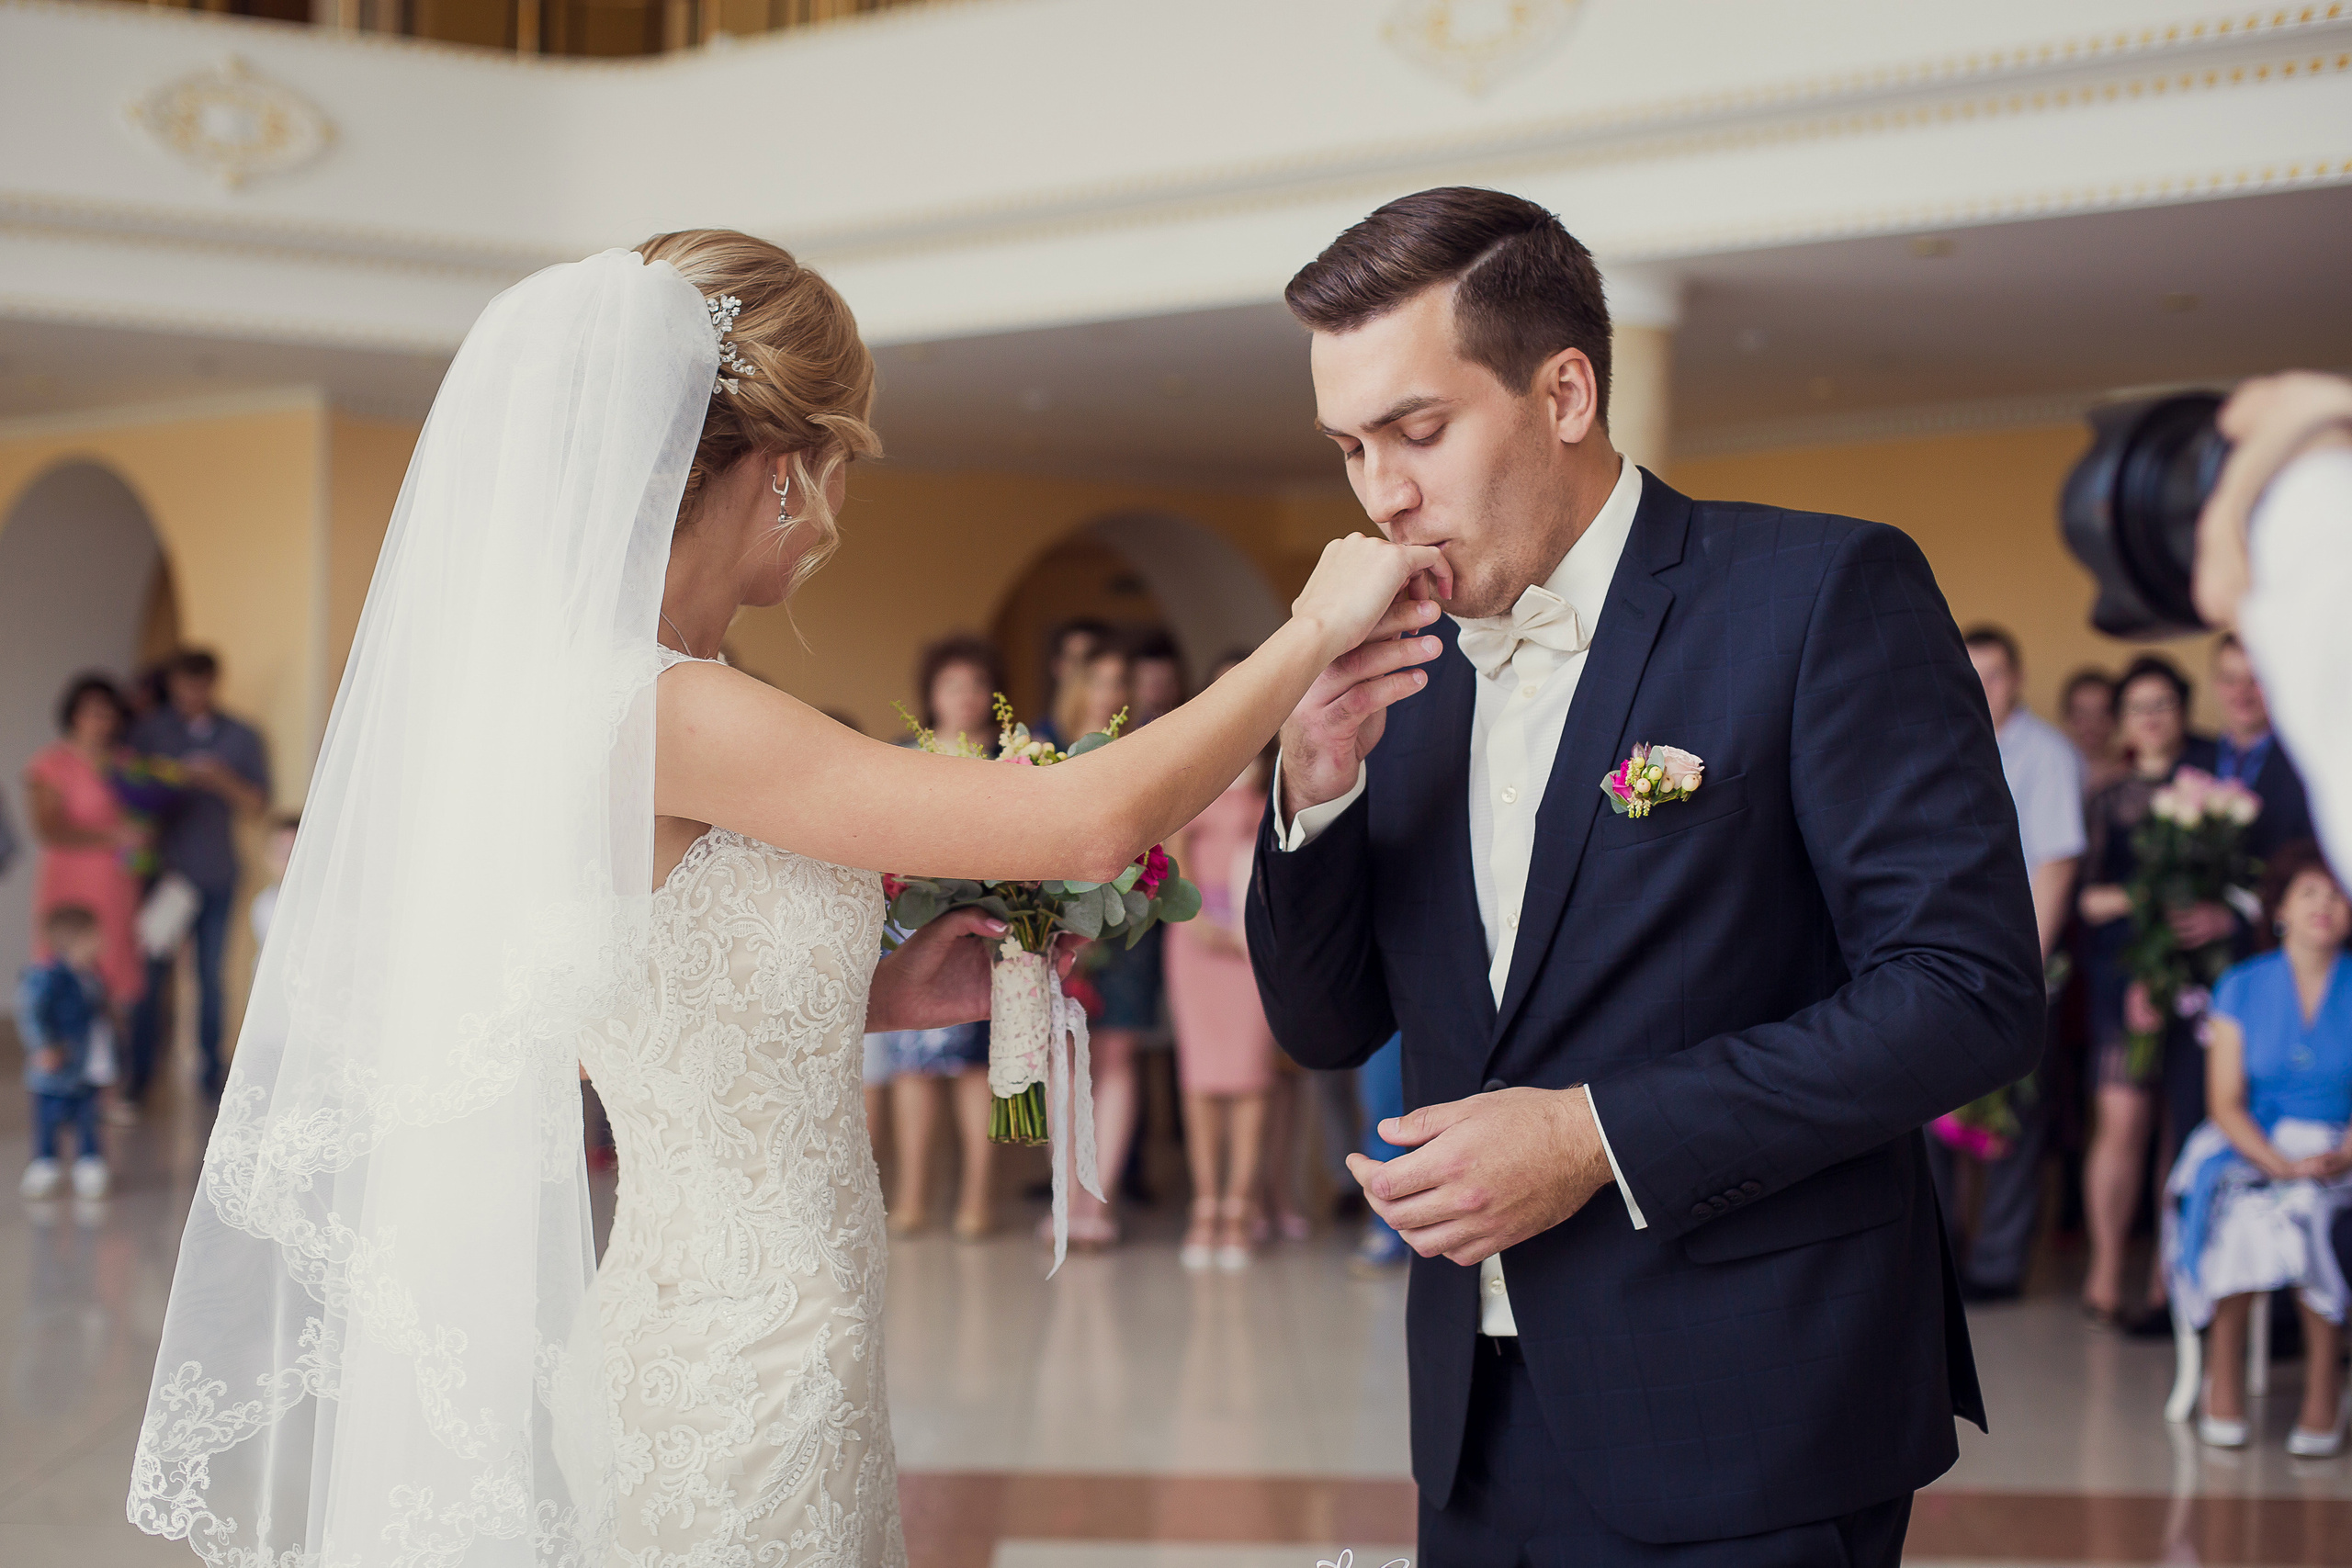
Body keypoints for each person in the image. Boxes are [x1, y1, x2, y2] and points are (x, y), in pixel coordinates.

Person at [128, 235, 1440, 1568]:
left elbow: (620, 981)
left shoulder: (591, 700)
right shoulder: (675, 707)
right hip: (752, 1345)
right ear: (785, 469)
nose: (842, 504)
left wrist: (864, 993)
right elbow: (1081, 821)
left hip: (717, 1307)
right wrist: (1309, 634)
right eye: (849, 462)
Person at [1245, 187, 2041, 1565]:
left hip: (1761, 1406)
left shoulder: (1819, 592)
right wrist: (1313, 791)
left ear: (1565, 390)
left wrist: (1593, 1135)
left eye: (1419, 431)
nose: (1382, 492)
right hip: (1475, 1423)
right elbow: (1327, 1025)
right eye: (1351, 446)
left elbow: (1963, 992)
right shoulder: (1396, 669)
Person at [2161, 840, 2352, 1457]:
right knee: (2244, 1211)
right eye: (2309, 893)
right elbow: (2224, 1101)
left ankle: (2325, 1383)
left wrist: (2340, 1156)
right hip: (2252, 1141)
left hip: (2339, 1148)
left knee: (2310, 1214)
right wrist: (2279, 1164)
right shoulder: (2240, 983)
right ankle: (2224, 1367)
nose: (2324, 905)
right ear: (2281, 909)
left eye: (2336, 893)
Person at [1924, 626, 2084, 1303]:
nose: (1982, 686)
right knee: (1928, 1108)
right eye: (1971, 672)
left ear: (2016, 678)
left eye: (1994, 674)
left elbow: (2056, 864)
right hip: (1940, 956)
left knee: (2012, 1113)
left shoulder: (2045, 752)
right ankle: (1940, 1253)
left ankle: (1997, 1262)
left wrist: (2027, 966)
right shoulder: (1933, 739)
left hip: (2016, 955)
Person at [2075, 656, 2221, 1328]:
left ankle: (2169, 1278)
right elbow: (2086, 897)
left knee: (2181, 1123)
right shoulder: (2107, 795)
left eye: (2164, 702)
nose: (2152, 716)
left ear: (2183, 709)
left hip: (2196, 972)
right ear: (2124, 720)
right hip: (2120, 971)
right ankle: (2106, 1273)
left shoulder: (2216, 790)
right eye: (2139, 706)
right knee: (2124, 1120)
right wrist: (2148, 896)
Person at [879, 634, 1002, 1240]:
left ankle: (976, 1198)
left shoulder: (1013, 761)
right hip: (913, 920)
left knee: (975, 1070)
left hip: (984, 927)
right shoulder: (906, 756)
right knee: (913, 1068)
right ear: (931, 694)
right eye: (954, 685)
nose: (968, 697)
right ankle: (912, 1196)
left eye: (978, 685)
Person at [124, 648, 270, 1101]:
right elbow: (127, 793)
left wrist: (220, 779)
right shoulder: (148, 732)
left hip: (216, 869)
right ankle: (139, 1075)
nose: (191, 693)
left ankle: (211, 1074)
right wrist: (165, 783)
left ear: (213, 683)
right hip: (163, 873)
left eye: (199, 683)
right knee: (149, 976)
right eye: (182, 684)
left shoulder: (242, 736)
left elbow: (257, 804)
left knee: (211, 975)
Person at [1165, 732, 1278, 1270]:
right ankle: (1205, 1204)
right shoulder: (1194, 796)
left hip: (1253, 948)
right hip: (1198, 946)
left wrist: (1248, 932)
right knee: (1200, 1078)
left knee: (1252, 1077)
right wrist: (1201, 924)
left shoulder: (1276, 801)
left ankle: (1240, 1205)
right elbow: (1173, 862)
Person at [1063, 637, 1156, 1246]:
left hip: (1129, 918)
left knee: (1117, 1057)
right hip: (1061, 917)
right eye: (1100, 679)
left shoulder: (1146, 750)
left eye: (1121, 679)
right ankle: (1065, 1200)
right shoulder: (1048, 753)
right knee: (1068, 1061)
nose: (1112, 691)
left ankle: (1096, 1205)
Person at [23, 674, 146, 1019]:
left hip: (117, 879)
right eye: (91, 712)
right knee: (66, 962)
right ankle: (62, 1054)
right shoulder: (51, 763)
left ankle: (108, 1062)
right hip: (71, 879)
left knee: (115, 967)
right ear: (73, 715)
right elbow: (48, 828)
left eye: (107, 713)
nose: (99, 721)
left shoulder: (127, 761)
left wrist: (142, 833)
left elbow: (144, 815)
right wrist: (109, 837)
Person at [17, 904, 113, 1200]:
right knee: (48, 1118)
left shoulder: (93, 976)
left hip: (87, 1065)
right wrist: (44, 1046)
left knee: (88, 1116)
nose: (101, 943)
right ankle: (45, 1163)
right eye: (95, 937)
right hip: (57, 1068)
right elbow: (32, 1013)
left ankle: (89, 1162)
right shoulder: (47, 977)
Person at [2211, 633, 2312, 863]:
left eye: (2255, 680)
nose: (2241, 693)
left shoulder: (2304, 761)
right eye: (2230, 679)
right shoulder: (2192, 758)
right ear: (2216, 685)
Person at [1035, 616, 1111, 750]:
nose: (1080, 672)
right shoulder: (1040, 738)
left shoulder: (1133, 731)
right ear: (1057, 666)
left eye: (1089, 661)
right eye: (1075, 661)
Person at [2062, 668, 2131, 798]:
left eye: (2102, 714)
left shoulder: (2133, 770)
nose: (2091, 725)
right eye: (2081, 714)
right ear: (2067, 718)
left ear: (2117, 717)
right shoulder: (2051, 771)